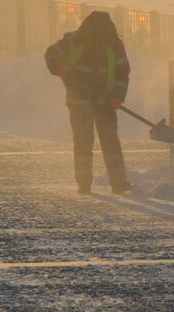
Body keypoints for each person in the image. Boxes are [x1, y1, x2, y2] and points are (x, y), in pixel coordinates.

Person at [45, 11, 133, 195]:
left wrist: (117, 95)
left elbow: (122, 73)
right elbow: (51, 55)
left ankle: (113, 184)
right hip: (81, 102)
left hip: (104, 102)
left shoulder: (113, 45)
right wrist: (57, 69)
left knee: (93, 144)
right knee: (97, 144)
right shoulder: (74, 42)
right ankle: (88, 184)